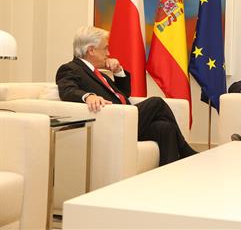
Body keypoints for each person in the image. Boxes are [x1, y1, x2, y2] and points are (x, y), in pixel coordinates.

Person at [56, 26, 197, 166]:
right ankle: (184, 149)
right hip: (114, 123)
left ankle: (168, 177)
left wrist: (118, 71)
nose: (108, 53)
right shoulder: (70, 68)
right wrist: (88, 96)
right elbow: (67, 90)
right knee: (157, 102)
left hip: (128, 118)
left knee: (165, 128)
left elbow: (124, 95)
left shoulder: (101, 74)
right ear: (91, 50)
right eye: (105, 48)